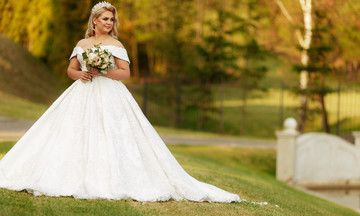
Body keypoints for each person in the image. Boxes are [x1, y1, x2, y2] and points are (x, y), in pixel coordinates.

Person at [0, 2, 241, 203]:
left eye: (112, 20)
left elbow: (125, 73)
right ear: (94, 21)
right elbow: (70, 69)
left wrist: (102, 71)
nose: (109, 23)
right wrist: (81, 74)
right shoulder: (82, 45)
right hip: (83, 92)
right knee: (74, 132)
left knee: (112, 133)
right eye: (105, 19)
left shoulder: (116, 46)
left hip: (110, 94)